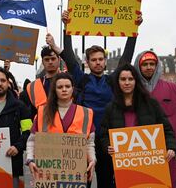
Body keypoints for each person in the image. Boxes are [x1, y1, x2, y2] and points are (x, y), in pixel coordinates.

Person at [46, 11, 143, 188]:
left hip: (108, 139)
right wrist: (67, 26)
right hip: (84, 138)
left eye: (100, 59)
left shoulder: (112, 80)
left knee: (107, 181)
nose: (97, 63)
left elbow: (126, 58)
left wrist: (134, 29)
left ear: (105, 62)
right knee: (83, 181)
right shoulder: (81, 78)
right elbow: (68, 55)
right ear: (87, 62)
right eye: (93, 60)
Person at [100, 63, 176, 187]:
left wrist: (171, 147)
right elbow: (103, 134)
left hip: (150, 168)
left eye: (130, 79)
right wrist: (107, 146)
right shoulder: (111, 108)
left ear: (136, 81)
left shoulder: (151, 104)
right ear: (117, 82)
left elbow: (167, 129)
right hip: (124, 169)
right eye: (123, 79)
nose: (127, 82)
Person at [26, 73, 96, 184]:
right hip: (49, 174)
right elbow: (32, 140)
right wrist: (30, 159)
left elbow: (89, 143)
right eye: (60, 87)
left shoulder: (86, 113)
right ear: (55, 90)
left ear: (72, 89)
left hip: (76, 174)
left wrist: (92, 159)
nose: (64, 89)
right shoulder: (42, 112)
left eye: (67, 86)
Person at [134, 50, 176, 187]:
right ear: (138, 66)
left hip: (167, 150)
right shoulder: (130, 90)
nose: (149, 67)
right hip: (138, 149)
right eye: (145, 64)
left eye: (152, 64)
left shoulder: (174, 89)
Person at [26, 46, 61, 120]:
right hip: (42, 128)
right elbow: (31, 113)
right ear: (42, 62)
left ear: (59, 60)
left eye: (53, 59)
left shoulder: (68, 82)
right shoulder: (33, 86)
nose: (50, 62)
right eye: (47, 59)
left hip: (64, 128)